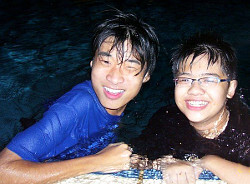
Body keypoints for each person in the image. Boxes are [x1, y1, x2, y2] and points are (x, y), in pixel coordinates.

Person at [0, 11, 159, 183]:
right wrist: (98, 162)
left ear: (146, 76)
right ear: (92, 63)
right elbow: (3, 171)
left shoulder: (119, 100)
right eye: (106, 62)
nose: (114, 77)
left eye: (129, 66)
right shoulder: (73, 108)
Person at [131, 32, 249, 184]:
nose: (194, 90)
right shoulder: (166, 119)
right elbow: (138, 157)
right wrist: (164, 162)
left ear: (230, 89)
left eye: (208, 79)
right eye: (185, 79)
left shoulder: (245, 128)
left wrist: (208, 162)